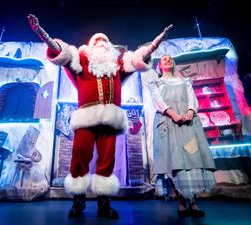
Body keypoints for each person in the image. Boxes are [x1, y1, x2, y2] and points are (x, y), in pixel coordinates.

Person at [27, 14, 172, 219]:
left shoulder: (117, 68)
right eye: (98, 41)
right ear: (89, 47)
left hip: (110, 120)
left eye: (105, 41)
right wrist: (41, 33)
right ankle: (79, 201)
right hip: (86, 118)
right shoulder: (79, 63)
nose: (102, 44)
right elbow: (58, 50)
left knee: (107, 160)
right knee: (79, 157)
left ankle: (104, 203)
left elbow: (140, 59)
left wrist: (156, 43)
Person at [147, 54, 216, 217]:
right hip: (168, 123)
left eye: (170, 58)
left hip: (187, 123)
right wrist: (173, 114)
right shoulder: (155, 83)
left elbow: (192, 99)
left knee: (192, 159)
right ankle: (181, 202)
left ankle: (193, 202)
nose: (167, 60)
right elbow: (158, 101)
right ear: (159, 66)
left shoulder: (185, 81)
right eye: (164, 59)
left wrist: (191, 111)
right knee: (174, 162)